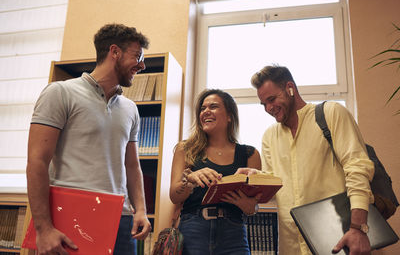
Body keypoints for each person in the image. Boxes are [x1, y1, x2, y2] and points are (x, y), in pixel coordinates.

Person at [26, 23, 152, 255]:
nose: (142, 65)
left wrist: (141, 210)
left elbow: (132, 165)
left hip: (121, 219)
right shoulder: (59, 92)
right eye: (137, 56)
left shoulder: (131, 109)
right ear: (114, 52)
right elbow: (37, 161)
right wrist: (43, 228)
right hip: (71, 216)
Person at [249, 65, 374, 255]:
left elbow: (357, 168)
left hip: (339, 238)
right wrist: (253, 178)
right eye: (263, 104)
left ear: (290, 88)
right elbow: (275, 186)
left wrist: (358, 227)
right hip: (291, 245)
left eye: (272, 99)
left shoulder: (331, 113)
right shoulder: (269, 136)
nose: (268, 108)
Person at [169, 89, 262, 255]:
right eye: (202, 108)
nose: (205, 112)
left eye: (213, 106)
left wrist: (247, 205)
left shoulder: (250, 154)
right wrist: (189, 181)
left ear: (229, 116)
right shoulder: (185, 149)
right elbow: (174, 196)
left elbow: (253, 207)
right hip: (193, 229)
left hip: (234, 233)